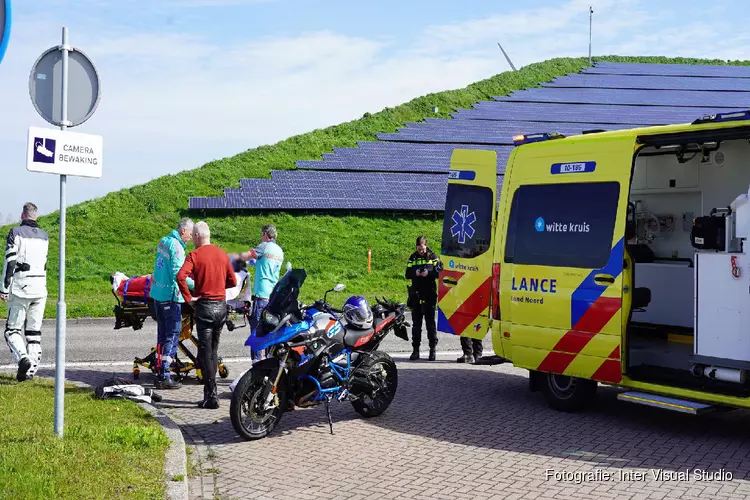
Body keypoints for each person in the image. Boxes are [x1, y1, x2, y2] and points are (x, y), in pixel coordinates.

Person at [177, 221, 237, 409]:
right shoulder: (222, 254)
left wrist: (189, 299)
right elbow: (233, 281)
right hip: (221, 307)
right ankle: (211, 394)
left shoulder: (194, 255)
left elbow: (180, 276)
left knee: (205, 353)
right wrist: (218, 287)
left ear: (196, 236)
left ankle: (211, 396)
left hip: (204, 307)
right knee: (213, 351)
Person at [1, 202, 49, 382]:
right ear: (35, 216)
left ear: (22, 215)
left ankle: (23, 359)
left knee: (11, 330)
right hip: (40, 288)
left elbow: (10, 262)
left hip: (21, 288)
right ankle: (28, 374)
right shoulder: (45, 236)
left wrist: (4, 288)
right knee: (33, 333)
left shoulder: (15, 233)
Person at [149, 218, 194, 390]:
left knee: (162, 335)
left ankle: (160, 371)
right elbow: (178, 274)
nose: (190, 237)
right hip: (170, 296)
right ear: (183, 231)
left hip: (157, 296)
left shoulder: (163, 242)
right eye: (190, 233)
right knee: (173, 334)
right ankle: (165, 375)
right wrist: (197, 285)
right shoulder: (176, 247)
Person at [231, 224, 284, 363]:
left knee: (256, 331)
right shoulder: (279, 251)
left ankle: (256, 364)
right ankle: (269, 363)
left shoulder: (264, 246)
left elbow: (246, 256)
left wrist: (232, 258)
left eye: (261, 235)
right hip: (273, 297)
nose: (261, 238)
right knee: (270, 333)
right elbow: (264, 263)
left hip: (261, 297)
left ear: (266, 235)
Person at [405, 235, 442, 361]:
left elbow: (439, 272)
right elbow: (407, 273)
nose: (421, 251)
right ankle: (416, 350)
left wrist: (429, 273)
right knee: (416, 325)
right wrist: (415, 273)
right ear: (416, 247)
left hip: (429, 294)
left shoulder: (433, 256)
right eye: (419, 249)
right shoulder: (413, 257)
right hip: (416, 294)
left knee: (430, 324)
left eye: (423, 248)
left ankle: (432, 350)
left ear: (426, 245)